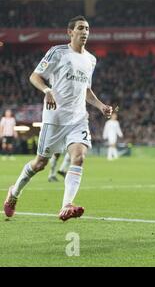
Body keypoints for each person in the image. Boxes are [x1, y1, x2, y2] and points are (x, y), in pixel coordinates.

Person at [3, 15, 113, 221]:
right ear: (70, 32)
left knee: (79, 156)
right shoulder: (58, 53)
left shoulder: (91, 60)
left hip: (78, 118)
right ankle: (14, 193)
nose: (85, 32)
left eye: (88, 28)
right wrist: (47, 90)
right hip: (55, 118)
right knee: (40, 164)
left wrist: (100, 106)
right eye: (81, 28)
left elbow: (86, 90)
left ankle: (66, 205)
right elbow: (34, 76)